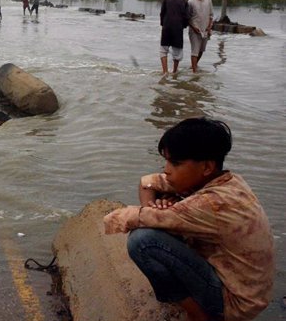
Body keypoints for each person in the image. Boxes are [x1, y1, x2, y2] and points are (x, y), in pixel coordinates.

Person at [103, 117, 274, 321]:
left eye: (175, 163)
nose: (166, 169)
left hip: (234, 302)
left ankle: (201, 317)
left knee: (142, 241)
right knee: (156, 226)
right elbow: (147, 183)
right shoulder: (227, 180)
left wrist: (150, 213)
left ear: (207, 167)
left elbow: (130, 218)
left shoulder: (212, 203)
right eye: (166, 161)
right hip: (243, 287)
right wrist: (154, 206)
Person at [159, 0, 190, 75]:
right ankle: (174, 71)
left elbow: (162, 13)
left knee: (163, 50)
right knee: (177, 52)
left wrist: (163, 24)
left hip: (166, 28)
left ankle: (165, 72)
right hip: (178, 29)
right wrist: (183, 26)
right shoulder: (184, 1)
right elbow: (187, 17)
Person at [187, 0, 214, 73]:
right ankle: (194, 72)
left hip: (205, 30)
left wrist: (209, 26)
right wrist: (193, 27)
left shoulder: (208, 0)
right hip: (194, 30)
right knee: (195, 51)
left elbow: (211, 15)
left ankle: (193, 65)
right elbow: (187, 17)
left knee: (201, 50)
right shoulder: (191, 2)